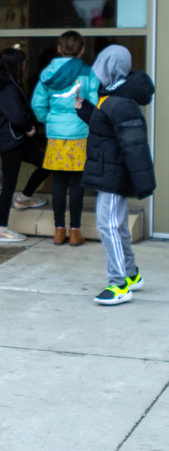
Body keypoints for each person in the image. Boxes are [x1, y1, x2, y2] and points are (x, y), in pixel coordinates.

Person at [75, 45, 155, 306]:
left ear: (109, 68)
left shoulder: (119, 102)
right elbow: (104, 126)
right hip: (108, 173)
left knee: (107, 225)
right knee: (116, 225)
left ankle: (119, 283)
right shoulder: (112, 95)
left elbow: (135, 146)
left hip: (113, 176)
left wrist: (143, 183)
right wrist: (84, 108)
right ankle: (131, 274)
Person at [31, 30, 99, 245]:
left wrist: (48, 120)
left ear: (59, 48)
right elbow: (96, 102)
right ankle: (75, 232)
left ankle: (58, 230)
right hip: (80, 133)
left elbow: (37, 104)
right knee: (77, 182)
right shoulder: (88, 73)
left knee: (58, 181)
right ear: (82, 50)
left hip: (56, 135)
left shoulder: (46, 73)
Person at [0, 45, 49, 243]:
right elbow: (17, 116)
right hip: (12, 141)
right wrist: (29, 128)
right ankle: (1, 229)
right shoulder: (7, 87)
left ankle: (25, 197)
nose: (27, 65)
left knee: (47, 162)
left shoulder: (4, 84)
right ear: (17, 65)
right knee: (9, 184)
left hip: (14, 140)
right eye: (24, 62)